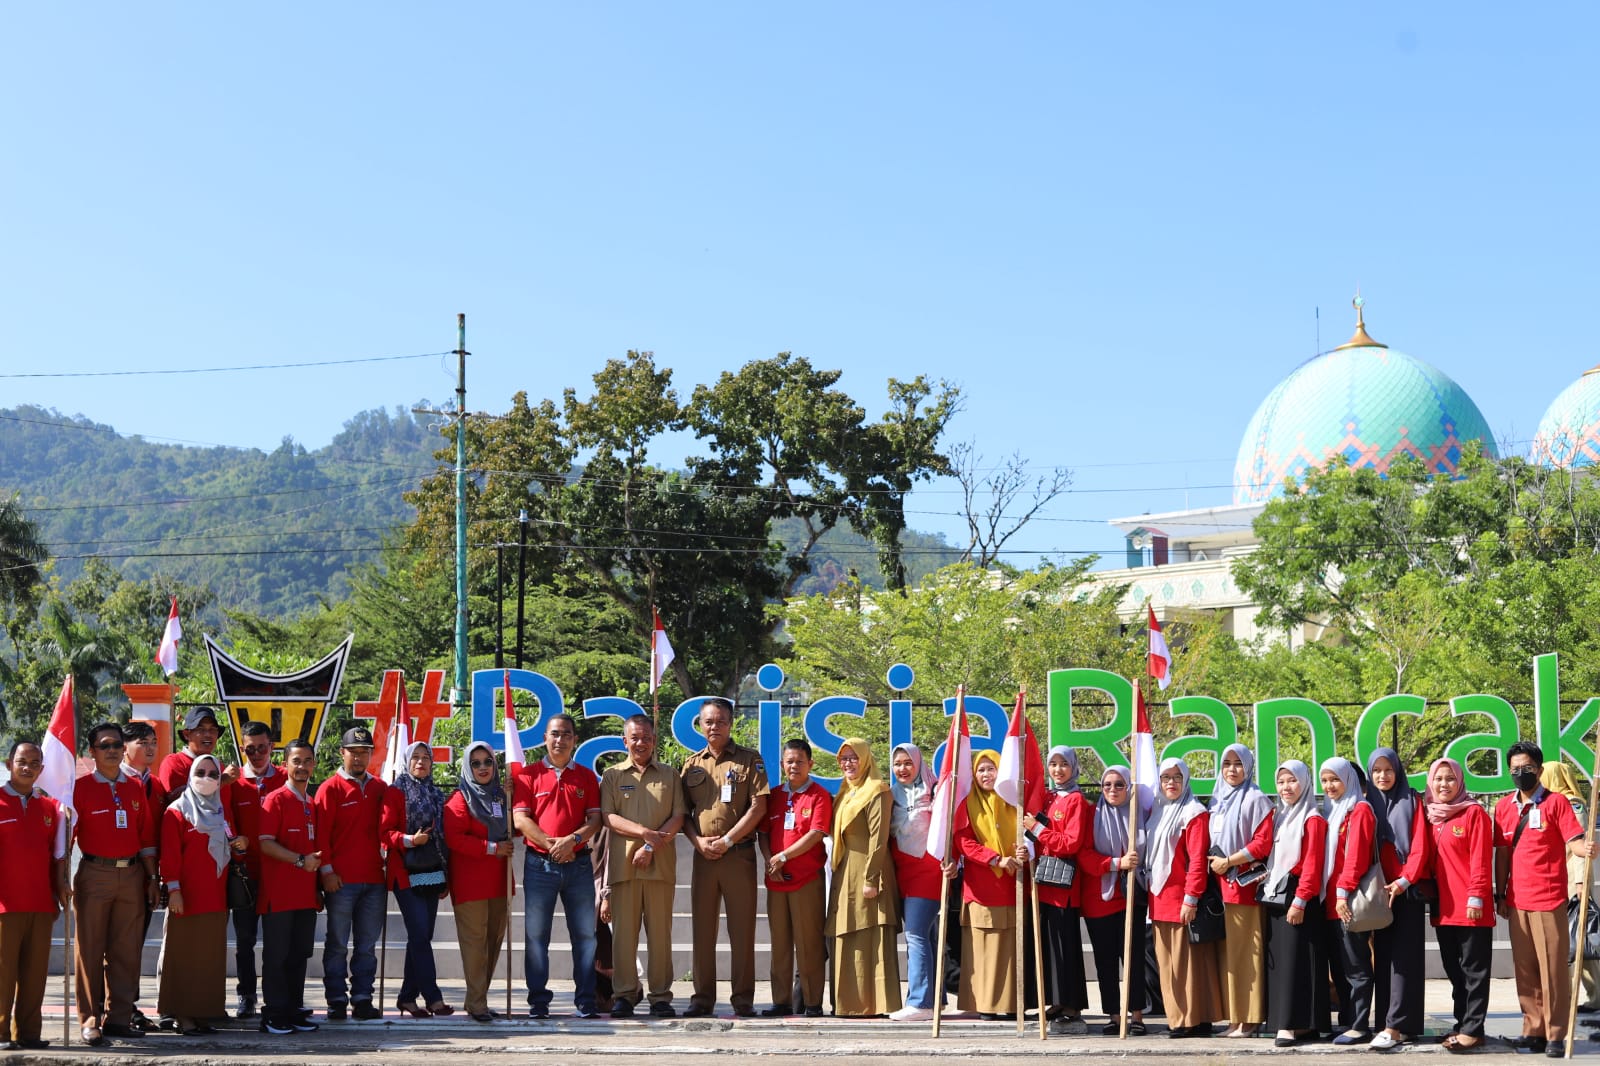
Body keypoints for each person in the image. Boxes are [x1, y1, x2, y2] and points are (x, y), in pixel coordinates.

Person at [1495, 740, 1594, 1058]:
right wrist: (1500, 893)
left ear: (1539, 769)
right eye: (1515, 769)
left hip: (1550, 899)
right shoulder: (1504, 807)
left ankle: (1555, 1034)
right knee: (1525, 969)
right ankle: (1532, 1029)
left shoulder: (1557, 804)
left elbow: (1575, 842)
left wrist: (1587, 848)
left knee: (1552, 969)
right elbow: (1503, 855)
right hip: (1516, 900)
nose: (1520, 773)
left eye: (1526, 768)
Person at [679, 697, 769, 1018]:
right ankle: (702, 998)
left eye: (720, 721)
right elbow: (682, 813)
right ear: (700, 725)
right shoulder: (691, 764)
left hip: (738, 857)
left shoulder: (749, 760)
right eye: (708, 722)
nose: (714, 727)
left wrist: (728, 840)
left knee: (742, 932)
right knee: (703, 932)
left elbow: (759, 806)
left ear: (731, 724)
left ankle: (743, 1000)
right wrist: (698, 841)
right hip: (704, 858)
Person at [73, 721, 159, 1046]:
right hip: (95, 874)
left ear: (124, 749)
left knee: (126, 952)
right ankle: (89, 1020)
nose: (111, 750)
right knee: (91, 950)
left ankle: (119, 1018)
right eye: (104, 745)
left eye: (116, 745)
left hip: (133, 875)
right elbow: (65, 840)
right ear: (93, 751)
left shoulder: (135, 788)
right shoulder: (79, 788)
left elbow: (147, 837)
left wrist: (152, 878)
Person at [512, 713, 602, 1019]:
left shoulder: (587, 777)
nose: (560, 739)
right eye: (554, 734)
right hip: (540, 865)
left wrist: (571, 841)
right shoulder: (527, 775)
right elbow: (521, 819)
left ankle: (586, 1000)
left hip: (578, 866)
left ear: (575, 739)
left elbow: (595, 820)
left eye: (566, 734)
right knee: (537, 936)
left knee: (585, 937)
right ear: (545, 738)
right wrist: (554, 845)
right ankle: (538, 1001)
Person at [602, 715, 686, 1018]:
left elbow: (678, 817)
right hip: (624, 868)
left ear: (654, 740)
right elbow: (609, 818)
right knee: (624, 936)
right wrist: (644, 833)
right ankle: (624, 994)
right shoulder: (612, 775)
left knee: (660, 935)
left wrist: (651, 846)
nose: (641, 743)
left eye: (647, 737)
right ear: (625, 741)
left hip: (660, 866)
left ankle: (660, 996)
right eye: (635, 737)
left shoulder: (670, 775)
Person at [1406, 758, 1492, 1053]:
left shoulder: (1474, 813)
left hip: (1471, 906)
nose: (1444, 784)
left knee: (1473, 970)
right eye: (1438, 779)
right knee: (1454, 969)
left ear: (1460, 782)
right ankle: (1463, 1023)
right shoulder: (1432, 817)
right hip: (1443, 907)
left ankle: (1473, 1029)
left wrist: (1477, 895)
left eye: (1450, 779)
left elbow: (1481, 858)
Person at [158, 754, 248, 1034]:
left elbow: (233, 852)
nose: (207, 778)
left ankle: (201, 1014)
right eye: (201, 772)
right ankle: (183, 1017)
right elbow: (170, 858)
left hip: (216, 897)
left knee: (207, 958)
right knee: (183, 956)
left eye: (213, 774)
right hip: (186, 897)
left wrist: (241, 847)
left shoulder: (220, 811)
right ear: (190, 776)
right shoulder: (176, 812)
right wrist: (174, 890)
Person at [314, 726, 388, 1021]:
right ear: (342, 753)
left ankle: (362, 998)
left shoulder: (380, 788)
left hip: (374, 880)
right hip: (341, 881)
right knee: (337, 944)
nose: (359, 758)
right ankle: (335, 999)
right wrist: (327, 871)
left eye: (364, 752)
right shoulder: (329, 788)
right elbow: (321, 836)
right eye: (353, 752)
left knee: (367, 946)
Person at [1146, 756, 1222, 1039]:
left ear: (1186, 780)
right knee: (1170, 963)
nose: (1171, 783)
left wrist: (1191, 897)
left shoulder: (1193, 813)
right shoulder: (1158, 810)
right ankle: (1191, 1017)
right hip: (1159, 896)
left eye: (1177, 778)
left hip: (1182, 898)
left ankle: (1188, 1020)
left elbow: (1198, 860)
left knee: (1186, 963)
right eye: (1166, 778)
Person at [0, 742, 69, 1052]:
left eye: (33, 762)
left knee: (34, 974)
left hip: (42, 905)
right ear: (9, 763)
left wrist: (61, 888)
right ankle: (1, 1034)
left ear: (42, 768)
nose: (27, 767)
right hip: (5, 906)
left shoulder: (51, 808)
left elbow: (56, 856)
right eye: (21, 761)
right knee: (3, 973)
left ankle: (29, 1033)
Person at [826, 738, 901, 1017]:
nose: (848, 763)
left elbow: (879, 839)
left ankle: (878, 1003)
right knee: (847, 934)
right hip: (846, 870)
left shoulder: (877, 790)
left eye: (853, 757)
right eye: (843, 759)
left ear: (865, 759)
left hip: (871, 869)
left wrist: (871, 878)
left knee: (873, 934)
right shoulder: (846, 792)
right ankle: (850, 1003)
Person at [954, 749, 1030, 1021]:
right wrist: (995, 859)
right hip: (982, 888)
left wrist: (1025, 851)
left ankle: (1011, 1004)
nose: (986, 775)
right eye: (981, 770)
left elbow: (1030, 834)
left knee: (1012, 949)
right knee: (984, 950)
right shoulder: (967, 804)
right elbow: (963, 842)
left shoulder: (1014, 803)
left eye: (991, 769)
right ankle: (985, 1004)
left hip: (1014, 886)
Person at [758, 739, 831, 1017]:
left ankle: (812, 1003)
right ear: (782, 764)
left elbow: (815, 834)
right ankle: (781, 1001)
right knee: (780, 943)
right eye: (789, 761)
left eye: (800, 761)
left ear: (810, 764)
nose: (794, 766)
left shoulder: (819, 795)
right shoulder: (775, 794)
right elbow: (763, 832)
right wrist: (769, 859)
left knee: (809, 942)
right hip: (776, 880)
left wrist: (784, 856)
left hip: (806, 880)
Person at [255, 738, 323, 1036]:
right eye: (297, 761)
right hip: (279, 894)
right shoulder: (275, 799)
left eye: (308, 761)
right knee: (277, 956)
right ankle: (273, 1014)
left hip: (305, 895)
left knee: (299, 955)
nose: (302, 767)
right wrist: (299, 861)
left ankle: (293, 1009)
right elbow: (265, 843)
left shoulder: (311, 802)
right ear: (286, 765)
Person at [444, 741, 515, 1022]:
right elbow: (455, 838)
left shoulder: (500, 797)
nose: (483, 768)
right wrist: (491, 848)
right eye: (476, 763)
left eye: (488, 762)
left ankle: (478, 999)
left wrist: (512, 801)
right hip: (470, 883)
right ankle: (477, 1003)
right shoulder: (459, 798)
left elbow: (512, 833)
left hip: (499, 881)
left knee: (493, 942)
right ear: (467, 767)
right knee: (475, 946)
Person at [1206, 743, 1272, 1038]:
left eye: (1238, 763)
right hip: (1222, 886)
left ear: (1248, 766)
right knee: (1231, 956)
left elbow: (1262, 843)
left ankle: (1251, 1018)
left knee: (1249, 954)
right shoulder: (1219, 800)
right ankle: (1235, 1018)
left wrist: (1229, 861)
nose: (1232, 769)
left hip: (1245, 885)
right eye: (1227, 763)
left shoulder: (1256, 799)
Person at [1024, 745, 1090, 1035]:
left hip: (1064, 886)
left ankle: (1072, 1004)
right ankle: (1056, 1000)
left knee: (1066, 947)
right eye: (1053, 764)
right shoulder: (1049, 798)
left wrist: (1038, 831)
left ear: (1074, 767)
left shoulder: (1076, 800)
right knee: (1050, 947)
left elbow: (1071, 843)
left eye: (1064, 764)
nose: (1058, 770)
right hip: (1044, 884)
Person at [1077, 764, 1148, 1036]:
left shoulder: (1138, 814)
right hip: (1100, 899)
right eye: (1107, 785)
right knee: (1105, 961)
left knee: (1133, 959)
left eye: (1119, 784)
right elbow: (1083, 854)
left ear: (1128, 787)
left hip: (1132, 897)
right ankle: (1114, 1016)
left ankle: (1138, 1015)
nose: (1112, 790)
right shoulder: (1092, 815)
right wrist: (1116, 863)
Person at [1365, 748, 1427, 1049]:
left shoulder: (1413, 801)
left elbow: (1419, 846)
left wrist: (1403, 881)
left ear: (1398, 771)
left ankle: (1396, 1026)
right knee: (1384, 959)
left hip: (1405, 891)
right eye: (1376, 770)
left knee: (1405, 960)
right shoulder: (1366, 804)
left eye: (1388, 770)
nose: (1382, 776)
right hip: (1377, 893)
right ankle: (1394, 1023)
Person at [1262, 760, 1327, 1047]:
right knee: (1285, 963)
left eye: (1292, 781)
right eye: (1281, 782)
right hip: (1278, 894)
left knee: (1295, 963)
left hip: (1299, 898)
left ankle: (1289, 1025)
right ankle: (1301, 1025)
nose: (1286, 787)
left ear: (1304, 783)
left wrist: (1300, 900)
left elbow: (1312, 865)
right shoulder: (1282, 815)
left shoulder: (1312, 818)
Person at [384, 741, 451, 1018]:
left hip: (432, 868)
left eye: (426, 758)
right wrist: (409, 840)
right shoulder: (395, 791)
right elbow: (384, 831)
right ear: (407, 761)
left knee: (422, 936)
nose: (421, 762)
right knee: (420, 935)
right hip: (405, 869)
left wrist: (446, 876)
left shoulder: (436, 793)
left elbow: (443, 837)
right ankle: (433, 997)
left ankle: (407, 997)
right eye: (416, 758)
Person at [223, 720, 284, 1020]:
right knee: (244, 940)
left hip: (277, 874)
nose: (257, 754)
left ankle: (278, 997)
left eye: (262, 747)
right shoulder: (234, 782)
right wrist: (236, 840)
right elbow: (225, 818)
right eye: (250, 749)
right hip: (244, 875)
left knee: (276, 942)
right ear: (242, 748)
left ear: (272, 747)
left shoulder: (286, 778)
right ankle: (246, 995)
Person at [887, 742, 948, 1022]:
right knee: (928, 936)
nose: (903, 768)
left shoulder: (934, 792)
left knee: (915, 934)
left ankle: (920, 1001)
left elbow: (947, 828)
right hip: (902, 872)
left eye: (908, 763)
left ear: (919, 764)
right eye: (898, 763)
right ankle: (936, 998)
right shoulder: (890, 796)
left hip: (928, 871)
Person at [1320, 756, 1377, 1045]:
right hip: (1330, 901)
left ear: (1349, 780)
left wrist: (1342, 893)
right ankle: (1346, 1020)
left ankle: (1360, 1024)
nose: (1329, 786)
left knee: (1356, 965)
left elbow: (1356, 858)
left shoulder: (1360, 810)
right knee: (1339, 967)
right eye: (1325, 780)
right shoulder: (1334, 811)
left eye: (1335, 779)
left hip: (1347, 901)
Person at [1541, 761, 1600, 1014]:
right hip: (1559, 880)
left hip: (1570, 883)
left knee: (1573, 940)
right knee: (1579, 942)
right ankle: (1591, 995)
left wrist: (1579, 884)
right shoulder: (1554, 803)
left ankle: (1571, 996)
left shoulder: (1571, 804)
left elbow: (1579, 846)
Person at [118, 720, 161, 1029]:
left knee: (135, 943)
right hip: (116, 870)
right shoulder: (116, 781)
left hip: (146, 873)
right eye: (142, 742)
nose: (149, 748)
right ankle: (113, 1006)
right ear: (125, 747)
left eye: (153, 742)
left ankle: (128, 1004)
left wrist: (154, 877)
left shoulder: (155, 785)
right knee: (116, 944)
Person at [154, 707, 225, 810]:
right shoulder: (174, 763)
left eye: (212, 730)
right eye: (201, 729)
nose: (208, 734)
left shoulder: (220, 766)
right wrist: (221, 781)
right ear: (187, 734)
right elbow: (179, 802)